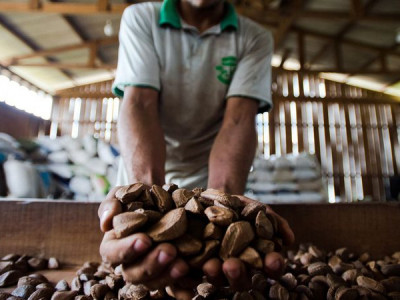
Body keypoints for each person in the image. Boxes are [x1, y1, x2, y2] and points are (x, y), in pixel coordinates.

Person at [99, 0, 295, 297]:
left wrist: (223, 209)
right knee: (140, 272)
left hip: (211, 174)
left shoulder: (254, 37)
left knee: (210, 280)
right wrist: (149, 204)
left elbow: (239, 120)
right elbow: (139, 102)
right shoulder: (142, 18)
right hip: (145, 170)